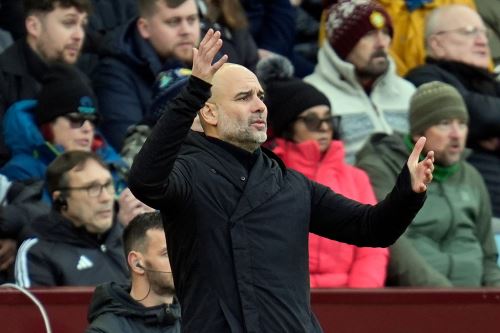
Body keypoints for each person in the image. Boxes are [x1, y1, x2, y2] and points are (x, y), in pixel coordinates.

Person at [128, 29, 434, 332]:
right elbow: (145, 181)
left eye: (260, 96)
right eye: (244, 97)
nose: (260, 105)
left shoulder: (291, 184)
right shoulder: (189, 173)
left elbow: (373, 228)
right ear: (209, 112)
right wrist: (193, 91)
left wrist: (407, 192)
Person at [258, 55, 388, 288]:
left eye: (329, 120)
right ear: (288, 127)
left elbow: (373, 247)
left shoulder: (357, 178)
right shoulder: (266, 176)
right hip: (287, 301)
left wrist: (360, 299)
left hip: (351, 300)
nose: (325, 128)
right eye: (312, 121)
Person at [356, 81, 500, 287]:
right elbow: (393, 246)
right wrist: (445, 298)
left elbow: (488, 256)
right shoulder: (382, 167)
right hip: (420, 302)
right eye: (444, 123)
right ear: (418, 133)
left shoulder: (471, 175)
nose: (456, 134)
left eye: (462, 123)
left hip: (475, 302)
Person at [405, 4, 500, 219]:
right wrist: (484, 123)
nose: (482, 40)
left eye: (484, 33)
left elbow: (484, 114)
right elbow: (480, 114)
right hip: (475, 201)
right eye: (469, 32)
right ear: (437, 43)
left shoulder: (490, 83)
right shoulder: (425, 78)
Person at [304, 0, 415, 164]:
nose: (382, 43)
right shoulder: (313, 95)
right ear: (343, 46)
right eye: (369, 34)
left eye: (385, 32)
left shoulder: (408, 92)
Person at [0, 63, 128, 197]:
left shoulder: (112, 165)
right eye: (76, 120)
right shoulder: (21, 172)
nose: (88, 129)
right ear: (48, 125)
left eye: (93, 121)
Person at [92, 0, 201, 150]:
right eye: (173, 22)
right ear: (144, 28)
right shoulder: (114, 74)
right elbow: (131, 152)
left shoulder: (212, 60)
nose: (186, 30)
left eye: (192, 19)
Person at [15, 151, 129, 287]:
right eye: (92, 188)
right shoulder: (38, 254)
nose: (106, 197)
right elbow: (35, 308)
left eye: (108, 185)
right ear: (61, 201)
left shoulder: (131, 240)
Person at [0, 0, 91, 165]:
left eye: (83, 24)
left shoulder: (81, 81)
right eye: (69, 23)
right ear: (34, 26)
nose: (79, 35)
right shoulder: (4, 80)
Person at [86, 212, 181, 333]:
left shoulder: (198, 317)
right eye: (167, 253)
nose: (180, 261)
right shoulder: (106, 330)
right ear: (137, 263)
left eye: (182, 252)